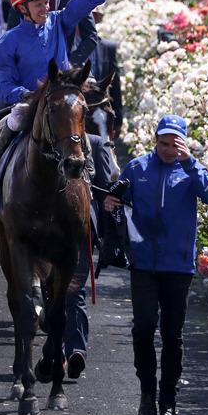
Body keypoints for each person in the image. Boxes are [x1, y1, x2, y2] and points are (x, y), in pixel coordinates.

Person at [104, 115, 208, 415]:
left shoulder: (190, 169)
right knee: (143, 328)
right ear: (155, 141)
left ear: (184, 142)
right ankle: (146, 392)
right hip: (143, 263)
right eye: (164, 143)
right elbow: (118, 200)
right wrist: (110, 202)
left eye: (175, 143)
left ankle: (168, 401)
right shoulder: (138, 167)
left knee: (172, 335)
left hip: (178, 265)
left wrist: (191, 163)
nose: (169, 149)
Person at [0, 0, 112, 162]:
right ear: (22, 9)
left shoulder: (59, 20)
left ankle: (101, 184)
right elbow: (2, 87)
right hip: (28, 108)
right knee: (13, 123)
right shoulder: (7, 42)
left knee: (92, 131)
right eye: (38, 4)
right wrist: (27, 94)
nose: (45, 8)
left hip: (62, 102)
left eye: (46, 2)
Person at [63, 130, 119, 379]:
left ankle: (76, 350)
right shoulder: (44, 143)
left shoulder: (96, 144)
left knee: (74, 289)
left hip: (80, 230)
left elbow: (108, 191)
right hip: (44, 230)